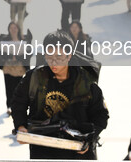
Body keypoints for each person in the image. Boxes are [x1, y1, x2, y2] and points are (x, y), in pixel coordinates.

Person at [11, 31, 109, 160]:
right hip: (44, 149)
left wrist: (90, 138)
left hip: (78, 151)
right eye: (49, 56)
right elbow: (18, 103)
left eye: (59, 56)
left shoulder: (85, 82)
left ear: (69, 56)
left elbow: (101, 114)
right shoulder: (34, 77)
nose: (54, 62)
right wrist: (21, 125)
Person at [0, 22, 32, 115]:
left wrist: (19, 57)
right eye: (11, 28)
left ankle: (18, 106)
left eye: (15, 27)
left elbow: (28, 54)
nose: (13, 29)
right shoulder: (4, 40)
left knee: (19, 88)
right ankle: (9, 106)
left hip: (19, 68)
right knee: (9, 87)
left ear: (18, 29)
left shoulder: (23, 40)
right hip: (8, 67)